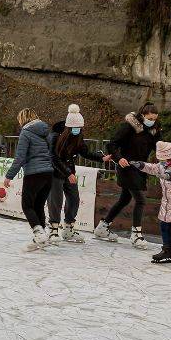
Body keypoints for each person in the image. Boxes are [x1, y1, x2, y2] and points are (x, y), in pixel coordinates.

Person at [95, 103, 161, 248]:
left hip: (141, 167)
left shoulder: (154, 129)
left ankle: (103, 227)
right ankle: (136, 234)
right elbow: (112, 144)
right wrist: (119, 158)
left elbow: (158, 146)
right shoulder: (129, 126)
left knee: (124, 199)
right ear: (142, 115)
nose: (152, 121)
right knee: (140, 200)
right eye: (150, 118)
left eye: (154, 119)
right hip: (127, 167)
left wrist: (164, 156)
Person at [46, 104, 107, 244]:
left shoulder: (78, 136)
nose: (77, 130)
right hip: (55, 172)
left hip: (69, 172)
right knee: (55, 200)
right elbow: (54, 158)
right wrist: (68, 173)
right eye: (75, 128)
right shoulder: (54, 137)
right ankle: (53, 229)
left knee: (74, 199)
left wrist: (101, 158)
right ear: (68, 127)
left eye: (79, 128)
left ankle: (68, 228)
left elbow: (84, 152)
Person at [1, 109, 53, 250]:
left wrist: (9, 175)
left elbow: (20, 157)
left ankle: (39, 234)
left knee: (27, 205)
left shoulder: (26, 133)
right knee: (38, 206)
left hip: (34, 174)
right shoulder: (46, 131)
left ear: (22, 119)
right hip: (48, 173)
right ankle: (41, 238)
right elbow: (51, 152)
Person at [130, 141, 171, 263]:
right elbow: (153, 168)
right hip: (168, 201)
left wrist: (169, 176)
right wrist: (140, 165)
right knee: (164, 225)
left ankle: (167, 250)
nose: (164, 161)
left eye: (166, 159)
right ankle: (167, 250)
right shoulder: (163, 164)